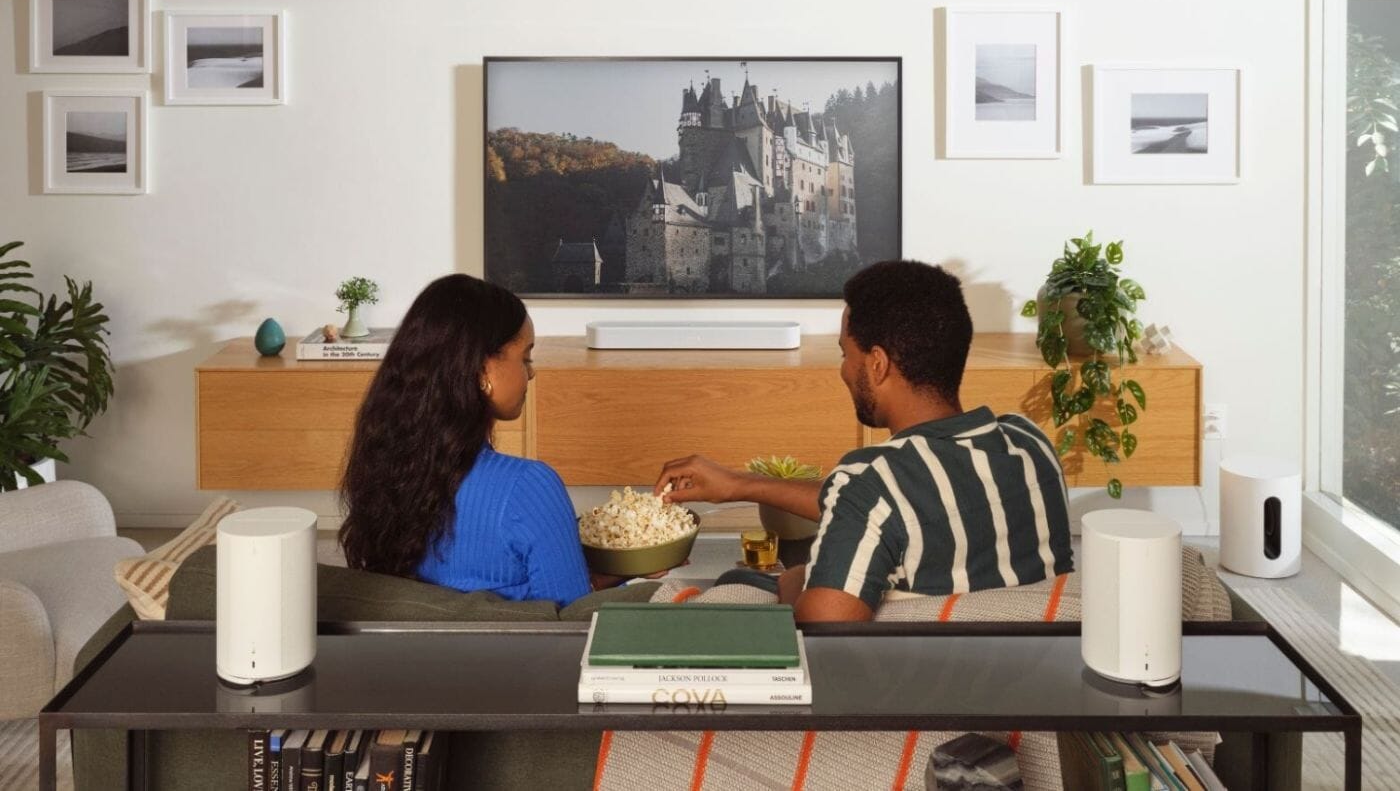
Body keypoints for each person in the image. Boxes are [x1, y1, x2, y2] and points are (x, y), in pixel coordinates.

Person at [656, 260, 1074, 623]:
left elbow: (824, 624)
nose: (843, 370)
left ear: (877, 364)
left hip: (905, 678)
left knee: (739, 578)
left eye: (845, 354)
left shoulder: (873, 478)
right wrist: (741, 485)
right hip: (1021, 670)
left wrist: (794, 579)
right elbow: (887, 505)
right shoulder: (1029, 443)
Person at [338, 273, 607, 606]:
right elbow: (574, 618)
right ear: (482, 369)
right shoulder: (529, 487)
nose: (531, 372)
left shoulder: (382, 470)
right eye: (525, 358)